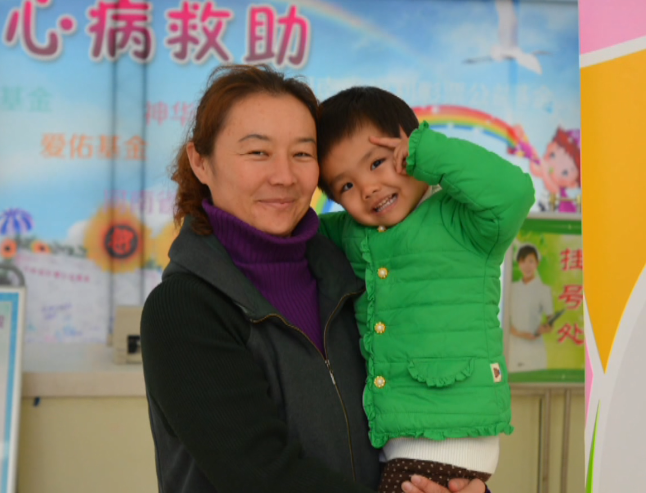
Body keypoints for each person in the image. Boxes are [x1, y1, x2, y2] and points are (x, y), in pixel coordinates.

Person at [140, 65, 490, 493]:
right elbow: (261, 475)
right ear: (200, 161)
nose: (285, 176)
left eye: (303, 154)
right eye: (258, 152)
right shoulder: (183, 309)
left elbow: (420, 412)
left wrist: (453, 484)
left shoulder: (354, 272)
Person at [315, 87, 535, 492]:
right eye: (345, 186)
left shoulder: (463, 221)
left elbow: (514, 193)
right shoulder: (350, 234)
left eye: (378, 162)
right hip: (399, 438)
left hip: (449, 434)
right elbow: (299, 235)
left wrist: (428, 152)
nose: (368, 189)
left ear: (409, 149)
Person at [507, 245, 555, 373]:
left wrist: (545, 328)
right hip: (513, 346)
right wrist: (519, 334)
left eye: (531, 261)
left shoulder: (544, 290)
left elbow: (550, 323)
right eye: (523, 261)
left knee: (535, 380)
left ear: (537, 263)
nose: (527, 266)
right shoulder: (512, 288)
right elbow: (505, 319)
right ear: (518, 263)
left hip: (535, 347)